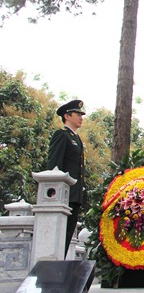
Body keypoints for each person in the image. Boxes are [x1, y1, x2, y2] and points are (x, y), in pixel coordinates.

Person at [47, 99, 86, 257]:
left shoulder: (77, 139)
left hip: (74, 194)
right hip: (63, 195)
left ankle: (59, 264)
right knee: (59, 235)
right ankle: (52, 266)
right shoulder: (62, 135)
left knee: (68, 233)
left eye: (81, 114)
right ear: (67, 116)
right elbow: (54, 165)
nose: (81, 117)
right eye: (77, 114)